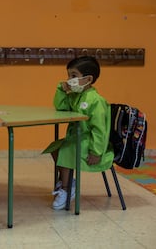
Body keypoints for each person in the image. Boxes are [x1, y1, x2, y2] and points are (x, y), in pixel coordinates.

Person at [43, 55, 114, 210]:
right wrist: (61, 89)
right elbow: (61, 106)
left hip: (89, 142)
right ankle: (69, 182)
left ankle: (67, 190)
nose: (69, 79)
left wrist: (96, 151)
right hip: (76, 138)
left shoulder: (96, 100)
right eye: (68, 75)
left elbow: (100, 129)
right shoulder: (76, 96)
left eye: (73, 76)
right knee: (55, 148)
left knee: (66, 151)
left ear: (88, 79)